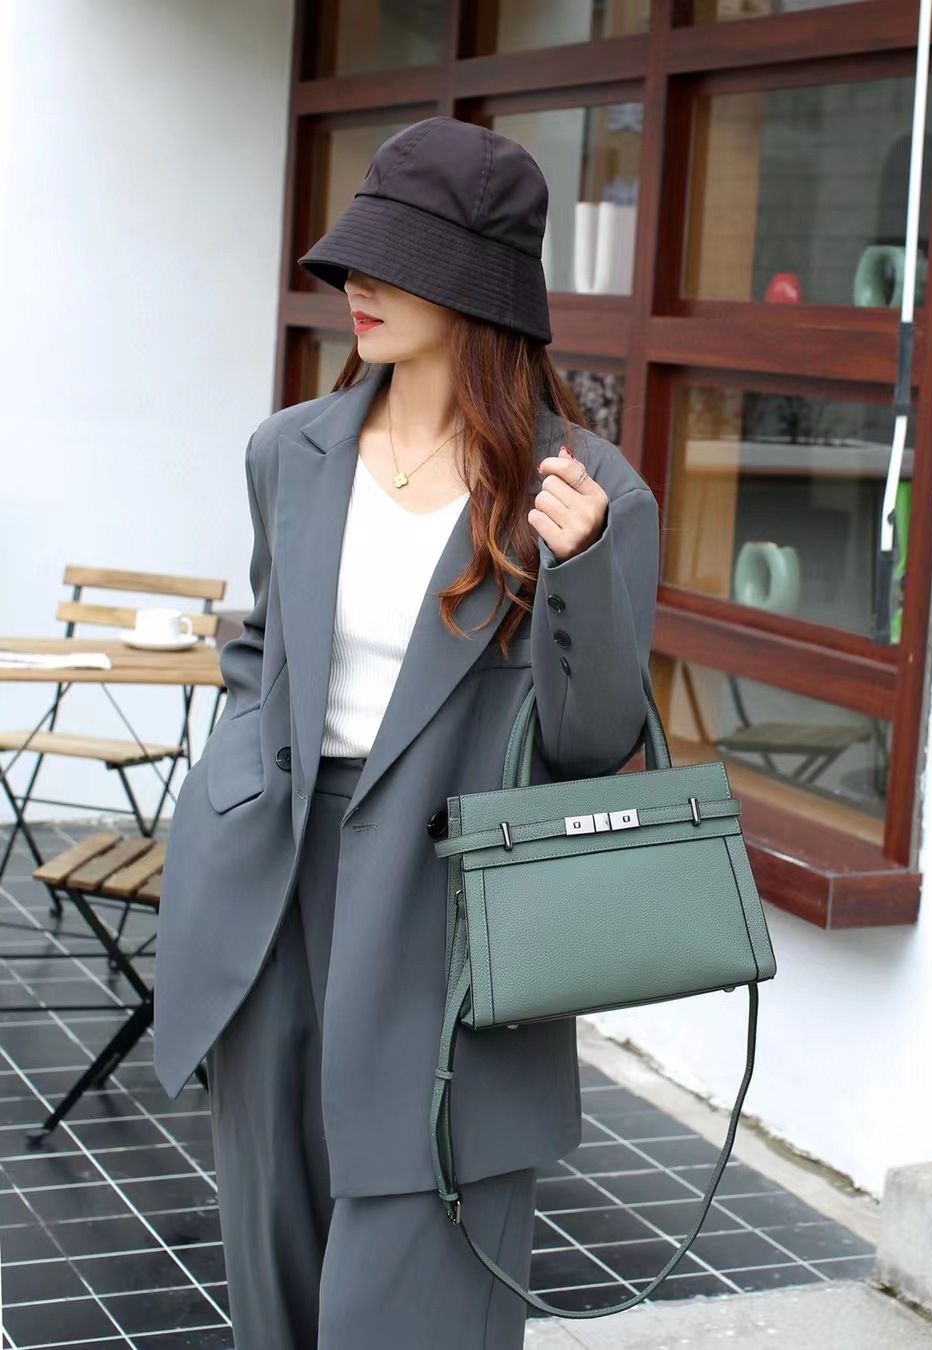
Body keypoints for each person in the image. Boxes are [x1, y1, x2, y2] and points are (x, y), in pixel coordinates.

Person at [152, 116, 660, 1349]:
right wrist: (230, 796)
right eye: (356, 255)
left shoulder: (585, 489)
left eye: (397, 260)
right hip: (274, 893)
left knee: (415, 1298)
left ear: (480, 287)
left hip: (452, 925)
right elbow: (261, 656)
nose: (356, 283)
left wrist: (581, 571)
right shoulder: (292, 450)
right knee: (275, 1288)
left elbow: (592, 744)